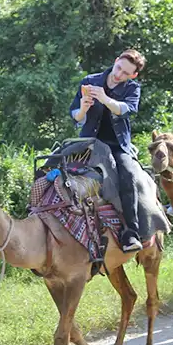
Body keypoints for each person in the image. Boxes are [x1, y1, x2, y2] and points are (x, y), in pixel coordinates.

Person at [70, 49, 146, 252]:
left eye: (126, 73)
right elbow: (75, 115)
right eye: (119, 67)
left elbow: (126, 110)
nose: (119, 74)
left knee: (129, 174)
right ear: (115, 60)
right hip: (88, 144)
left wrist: (104, 98)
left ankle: (131, 233)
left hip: (117, 146)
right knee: (54, 167)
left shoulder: (132, 88)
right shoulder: (90, 80)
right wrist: (84, 109)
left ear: (133, 75)